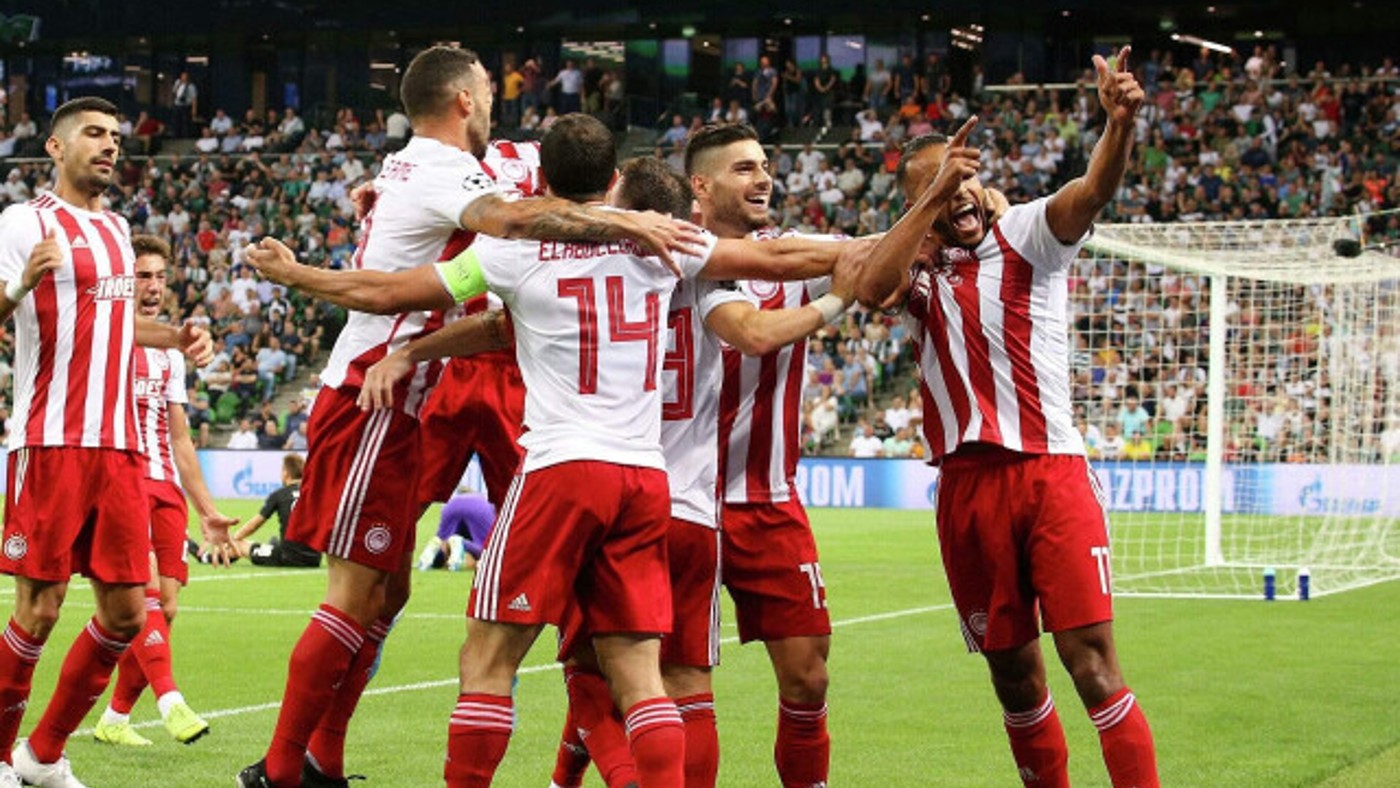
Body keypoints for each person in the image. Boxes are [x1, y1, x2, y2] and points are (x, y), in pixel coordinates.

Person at [247, 113, 871, 788]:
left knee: (487, 659)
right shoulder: (666, 245)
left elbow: (387, 291)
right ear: (612, 179)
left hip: (560, 469)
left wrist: (296, 274)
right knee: (643, 677)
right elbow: (777, 259)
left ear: (543, 182)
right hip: (646, 480)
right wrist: (878, 249)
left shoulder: (510, 254)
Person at [232, 46, 702, 788]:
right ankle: (287, 768)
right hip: (391, 385)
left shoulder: (466, 165)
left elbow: (545, 177)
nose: (495, 99)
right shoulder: (447, 174)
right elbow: (504, 222)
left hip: (458, 381)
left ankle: (319, 759)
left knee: (393, 592)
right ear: (462, 101)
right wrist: (628, 225)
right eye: (486, 89)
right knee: (365, 593)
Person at [854, 48, 1159, 788]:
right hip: (967, 490)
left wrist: (1118, 125)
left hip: (1049, 474)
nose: (959, 195)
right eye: (938, 187)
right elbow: (870, 290)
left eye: (965, 178)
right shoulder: (912, 264)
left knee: (1091, 664)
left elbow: (1090, 192)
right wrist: (926, 206)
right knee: (1015, 680)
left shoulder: (1025, 233)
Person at [0, 96, 213, 787]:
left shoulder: (119, 230)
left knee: (125, 615)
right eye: (94, 134)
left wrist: (179, 335)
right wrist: (20, 285)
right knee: (39, 608)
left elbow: (119, 326)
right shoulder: (23, 222)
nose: (110, 145)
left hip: (120, 450)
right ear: (56, 147)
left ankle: (43, 755)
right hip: (51, 439)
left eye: (115, 136)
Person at [92, 234, 238, 749]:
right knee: (147, 595)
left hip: (165, 487)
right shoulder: (104, 338)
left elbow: (179, 438)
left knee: (165, 608)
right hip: (119, 480)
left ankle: (114, 717)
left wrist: (208, 510)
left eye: (159, 277)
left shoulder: (170, 355)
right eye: (142, 276)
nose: (153, 286)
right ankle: (170, 699)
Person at [229, 454, 320, 568]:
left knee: (239, 545)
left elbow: (253, 526)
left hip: (287, 557)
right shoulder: (316, 494)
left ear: (286, 473)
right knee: (271, 544)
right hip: (314, 559)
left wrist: (233, 539)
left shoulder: (279, 495)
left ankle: (209, 557)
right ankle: (275, 545)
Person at [416, 493, 495, 572]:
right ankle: (461, 542)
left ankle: (436, 544)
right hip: (479, 509)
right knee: (488, 551)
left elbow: (470, 561)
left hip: (451, 505)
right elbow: (474, 561)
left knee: (443, 541)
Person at [171, 72, 198, 139]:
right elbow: (174, 92)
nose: (183, 78)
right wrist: (178, 85)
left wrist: (194, 109)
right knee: (176, 121)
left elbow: (194, 98)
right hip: (177, 105)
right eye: (182, 76)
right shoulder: (178, 83)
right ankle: (176, 135)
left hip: (186, 106)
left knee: (185, 122)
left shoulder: (191, 86)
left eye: (185, 76)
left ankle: (185, 136)